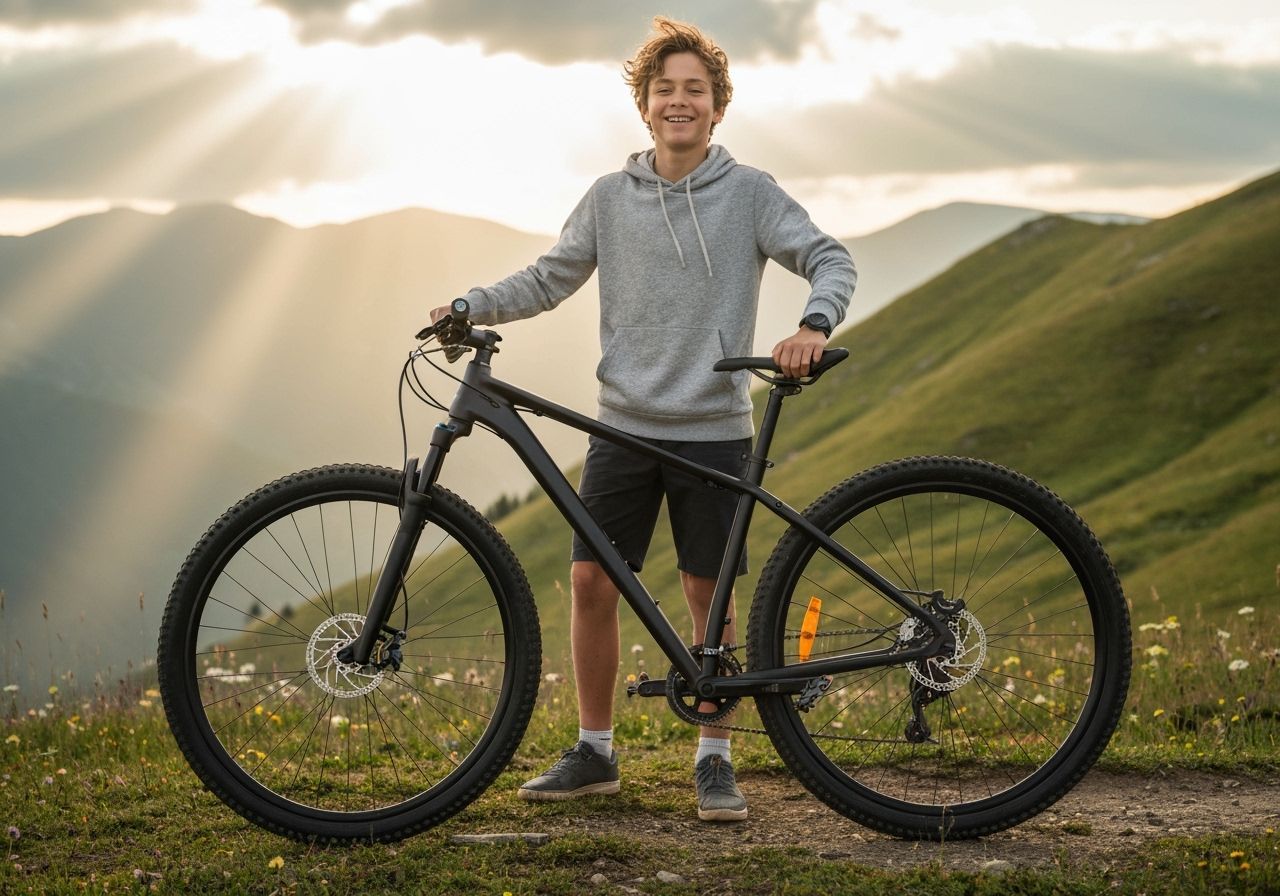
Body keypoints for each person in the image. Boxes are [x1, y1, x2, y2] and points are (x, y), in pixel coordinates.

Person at [429, 17, 855, 822]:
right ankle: (595, 751)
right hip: (621, 426)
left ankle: (715, 758)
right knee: (592, 584)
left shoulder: (751, 193)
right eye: (666, 90)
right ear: (645, 105)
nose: (680, 102)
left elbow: (830, 257)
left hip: (713, 426)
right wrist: (472, 304)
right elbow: (551, 277)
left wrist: (814, 324)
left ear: (718, 107)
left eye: (696, 90)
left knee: (707, 595)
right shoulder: (608, 198)